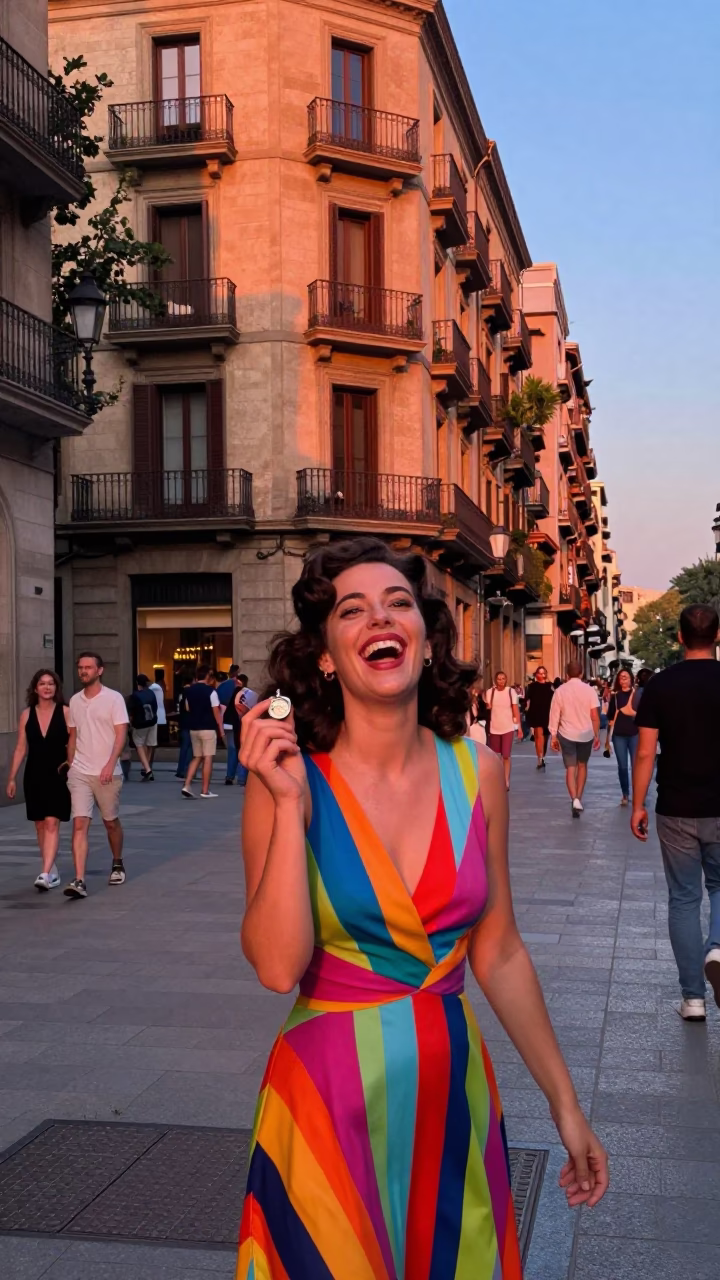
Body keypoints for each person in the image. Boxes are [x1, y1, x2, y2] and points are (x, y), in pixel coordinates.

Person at [236, 537, 608, 1278]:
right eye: (354, 609)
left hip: (451, 1094)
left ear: (427, 638)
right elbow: (279, 968)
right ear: (326, 654)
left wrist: (566, 1105)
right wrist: (285, 806)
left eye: (398, 603)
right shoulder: (287, 780)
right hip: (327, 1100)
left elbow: (498, 951)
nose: (381, 617)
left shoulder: (482, 773)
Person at [632, 604, 720, 1022]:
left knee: (684, 897)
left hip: (676, 807)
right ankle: (717, 946)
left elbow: (646, 750)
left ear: (680, 638)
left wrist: (637, 804)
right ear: (717, 635)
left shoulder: (661, 686)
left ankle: (693, 998)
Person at [64, 652, 129, 899]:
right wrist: (71, 763)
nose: (83, 671)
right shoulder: (75, 701)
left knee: (110, 822)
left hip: (107, 772)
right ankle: (79, 879)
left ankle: (117, 861)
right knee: (80, 822)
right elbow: (73, 735)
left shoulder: (113, 699)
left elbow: (121, 733)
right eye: (80, 667)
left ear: (99, 670)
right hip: (80, 770)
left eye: (88, 668)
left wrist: (110, 763)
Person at [5, 669, 72, 891]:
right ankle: (50, 869)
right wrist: (12, 777)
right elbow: (20, 748)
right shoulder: (26, 714)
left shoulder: (66, 712)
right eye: (42, 683)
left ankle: (45, 872)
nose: (47, 687)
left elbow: (75, 742)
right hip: (33, 774)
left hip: (58, 774)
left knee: (53, 822)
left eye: (51, 684)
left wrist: (72, 765)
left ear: (56, 688)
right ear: (35, 688)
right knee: (40, 825)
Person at [549, 660, 601, 817]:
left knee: (571, 768)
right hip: (586, 734)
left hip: (566, 733)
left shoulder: (560, 691)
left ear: (566, 674)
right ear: (581, 673)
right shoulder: (590, 690)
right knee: (582, 765)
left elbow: (554, 714)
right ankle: (579, 797)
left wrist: (553, 735)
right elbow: (594, 715)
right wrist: (597, 734)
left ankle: (573, 799)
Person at [181, 665, 225, 798]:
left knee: (197, 757)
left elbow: (187, 708)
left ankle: (187, 785)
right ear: (207, 676)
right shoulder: (211, 692)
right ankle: (205, 790)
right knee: (208, 758)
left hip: (194, 728)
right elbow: (216, 713)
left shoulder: (189, 691)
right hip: (208, 728)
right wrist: (221, 730)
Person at [605, 669, 638, 806]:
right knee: (623, 766)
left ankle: (638, 794)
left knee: (636, 766)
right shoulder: (616, 696)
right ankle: (625, 793)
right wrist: (607, 738)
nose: (623, 679)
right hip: (619, 735)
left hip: (635, 734)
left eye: (626, 677)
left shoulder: (637, 695)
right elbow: (610, 718)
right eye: (621, 677)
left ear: (631, 678)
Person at [484, 671, 521, 790]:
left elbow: (515, 710)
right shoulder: (490, 692)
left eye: (503, 678)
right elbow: (488, 708)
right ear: (495, 680)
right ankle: (497, 779)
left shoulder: (511, 692)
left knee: (506, 755)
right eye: (499, 679)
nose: (501, 681)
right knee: (496, 756)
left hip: (508, 727)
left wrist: (519, 727)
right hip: (494, 727)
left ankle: (506, 781)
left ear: (506, 680)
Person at [126, 674, 158, 781]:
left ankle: (147, 769)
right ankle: (146, 766)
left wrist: (130, 723)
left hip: (140, 724)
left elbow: (130, 711)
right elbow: (155, 707)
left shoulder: (135, 696)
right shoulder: (151, 693)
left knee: (139, 744)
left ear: (137, 683)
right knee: (150, 745)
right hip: (152, 722)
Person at [524, 665, 554, 769]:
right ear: (536, 675)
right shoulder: (532, 686)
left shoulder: (550, 686)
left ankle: (543, 756)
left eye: (543, 673)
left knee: (546, 737)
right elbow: (527, 700)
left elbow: (554, 700)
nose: (542, 675)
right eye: (540, 673)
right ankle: (539, 758)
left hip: (547, 714)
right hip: (536, 713)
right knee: (538, 736)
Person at [217, 664, 242, 785]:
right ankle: (236, 775)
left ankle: (230, 775)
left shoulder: (222, 686)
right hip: (238, 721)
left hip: (226, 721)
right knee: (238, 748)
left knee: (232, 748)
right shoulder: (241, 688)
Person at [231, 674, 258, 786]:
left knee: (242, 750)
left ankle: (241, 777)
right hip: (246, 724)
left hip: (239, 724)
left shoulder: (237, 693)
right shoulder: (249, 694)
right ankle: (242, 777)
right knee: (246, 750)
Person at [174, 670, 194, 779]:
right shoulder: (189, 692)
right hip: (190, 721)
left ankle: (180, 769)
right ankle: (186, 769)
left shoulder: (180, 692)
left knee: (184, 747)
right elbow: (188, 707)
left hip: (182, 721)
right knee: (189, 747)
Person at [148, 668, 167, 761]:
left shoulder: (155, 687)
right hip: (160, 714)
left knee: (153, 742)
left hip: (157, 715)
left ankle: (149, 761)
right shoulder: (161, 685)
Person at [466, 676, 489, 745]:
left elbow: (485, 715)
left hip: (480, 730)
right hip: (471, 732)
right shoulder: (466, 701)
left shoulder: (480, 700)